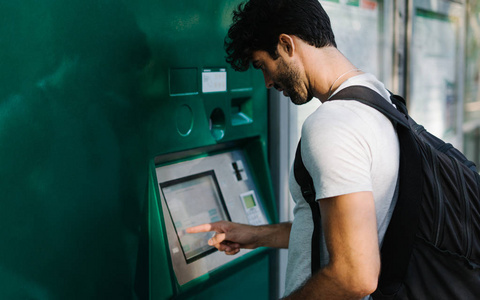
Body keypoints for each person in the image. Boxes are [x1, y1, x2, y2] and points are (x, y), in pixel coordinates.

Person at [187, 0, 399, 299]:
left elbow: (355, 276)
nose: (268, 83)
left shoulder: (332, 125)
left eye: (263, 65)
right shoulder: (378, 98)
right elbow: (345, 231)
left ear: (287, 44)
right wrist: (258, 235)